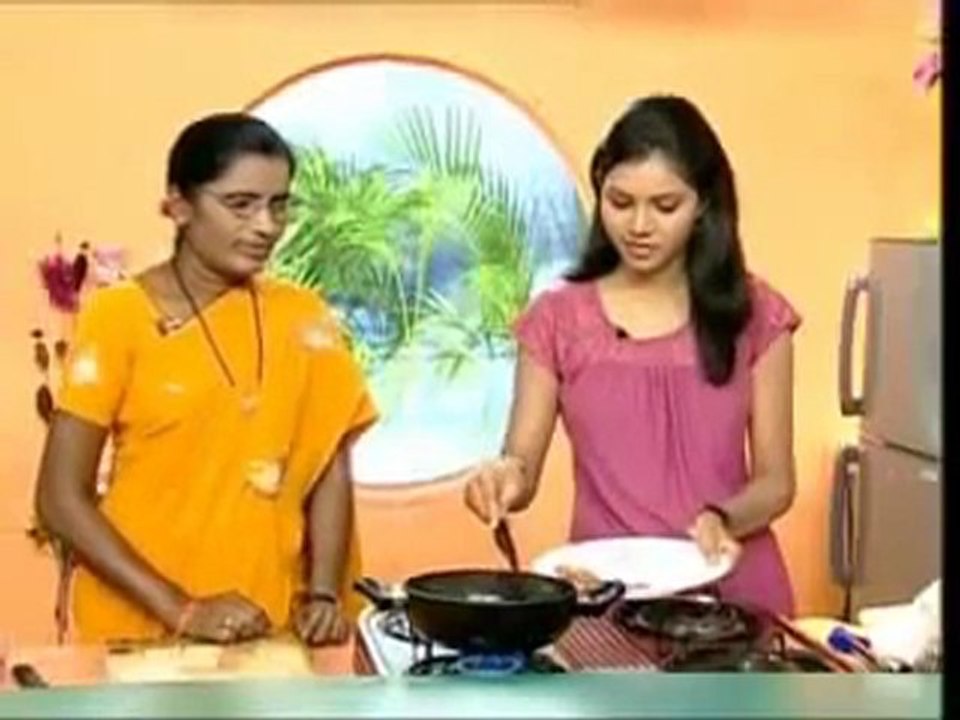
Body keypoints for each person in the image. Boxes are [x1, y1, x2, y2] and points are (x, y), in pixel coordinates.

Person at [35, 113, 377, 645]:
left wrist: (325, 593)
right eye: (240, 204)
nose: (266, 225)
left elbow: (327, 463)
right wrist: (184, 610)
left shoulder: (304, 319)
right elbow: (59, 498)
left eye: (279, 204)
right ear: (179, 205)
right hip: (138, 630)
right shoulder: (120, 317)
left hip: (268, 627)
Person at [463, 95, 800, 617]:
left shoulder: (758, 316)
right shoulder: (556, 319)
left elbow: (776, 482)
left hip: (735, 604)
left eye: (666, 207)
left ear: (705, 203)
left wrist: (722, 519)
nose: (639, 226)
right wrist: (501, 479)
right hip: (606, 600)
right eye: (620, 202)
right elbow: (521, 468)